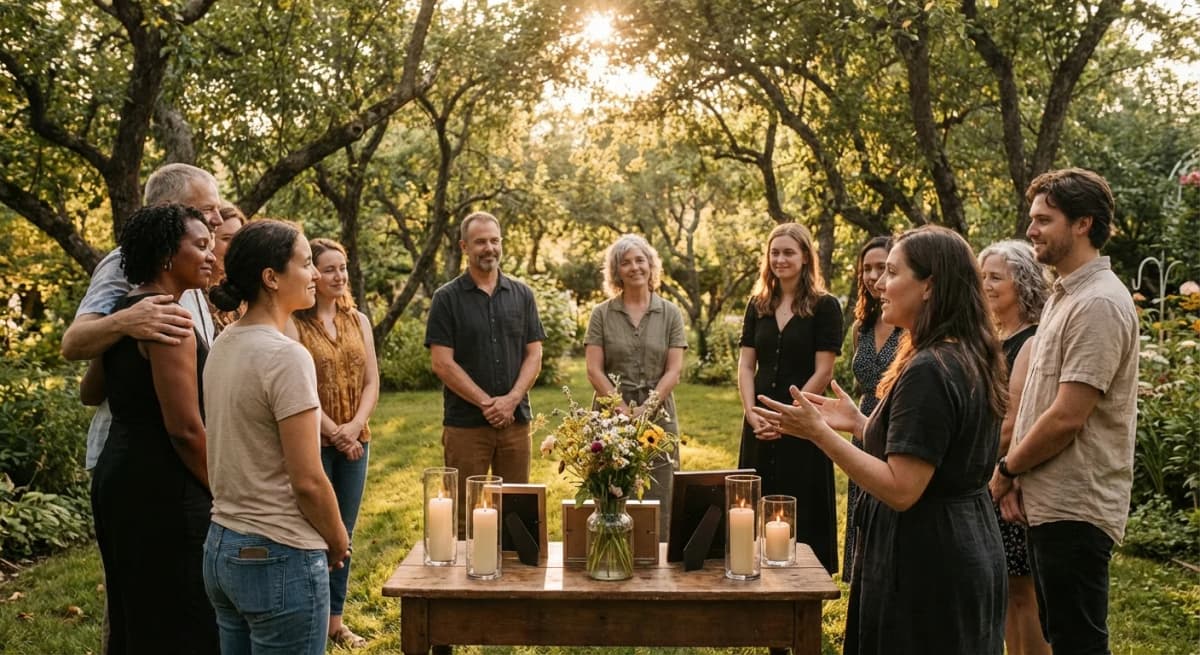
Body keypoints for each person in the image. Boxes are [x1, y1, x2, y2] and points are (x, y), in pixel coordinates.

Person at [755, 225, 1007, 654]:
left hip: (926, 562)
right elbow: (934, 452)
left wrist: (819, 435)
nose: (879, 285)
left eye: (891, 273)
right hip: (967, 542)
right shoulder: (964, 351)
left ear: (929, 285)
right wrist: (859, 423)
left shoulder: (930, 369)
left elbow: (901, 488)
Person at [990, 168, 1139, 655]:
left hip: (1077, 504)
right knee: (1059, 637)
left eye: (1043, 219)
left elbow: (1067, 416)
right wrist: (1021, 481)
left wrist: (1008, 469)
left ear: (1082, 223)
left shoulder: (1098, 302)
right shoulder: (1064, 295)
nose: (1031, 229)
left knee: (1079, 642)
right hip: (1048, 499)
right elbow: (1037, 402)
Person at [202, 220, 349, 655]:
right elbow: (307, 478)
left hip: (222, 547)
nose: (316, 275)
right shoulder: (286, 356)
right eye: (306, 264)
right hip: (277, 554)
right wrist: (337, 538)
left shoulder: (224, 343)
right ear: (271, 278)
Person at [89, 204, 218, 654]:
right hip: (163, 487)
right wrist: (222, 492)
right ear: (166, 254)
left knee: (136, 611)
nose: (212, 256)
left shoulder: (125, 311)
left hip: (117, 475)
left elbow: (92, 388)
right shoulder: (171, 320)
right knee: (182, 617)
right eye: (200, 245)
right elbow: (184, 428)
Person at [63, 163, 224, 470]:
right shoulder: (121, 265)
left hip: (175, 456)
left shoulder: (187, 272)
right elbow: (72, 344)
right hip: (140, 455)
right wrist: (124, 321)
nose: (217, 218)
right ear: (168, 209)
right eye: (206, 209)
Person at [425, 211, 546, 531]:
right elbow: (442, 363)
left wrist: (511, 399)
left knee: (518, 510)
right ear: (464, 246)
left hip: (515, 423)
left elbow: (534, 354)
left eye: (494, 240)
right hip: (466, 425)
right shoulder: (446, 298)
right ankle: (466, 579)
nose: (488, 248)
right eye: (480, 242)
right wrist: (486, 403)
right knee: (465, 515)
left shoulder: (522, 294)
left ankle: (514, 578)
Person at [286, 238, 380, 649]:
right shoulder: (294, 325)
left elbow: (373, 381)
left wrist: (355, 425)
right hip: (314, 441)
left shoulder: (358, 320)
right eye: (328, 269)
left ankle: (335, 622)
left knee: (344, 532)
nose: (338, 276)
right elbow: (296, 389)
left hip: (356, 442)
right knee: (314, 532)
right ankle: (308, 615)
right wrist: (333, 432)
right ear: (312, 274)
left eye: (342, 268)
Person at [737, 222, 843, 574]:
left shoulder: (825, 307)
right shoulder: (758, 305)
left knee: (802, 501)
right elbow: (746, 365)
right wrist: (753, 414)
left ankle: (805, 580)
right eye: (775, 252)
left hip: (803, 421)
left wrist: (789, 418)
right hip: (758, 421)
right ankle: (752, 572)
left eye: (788, 252)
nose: (780, 259)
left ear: (805, 257)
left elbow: (824, 372)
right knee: (752, 503)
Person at [584, 234, 687, 538]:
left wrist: (646, 409)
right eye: (625, 262)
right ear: (616, 271)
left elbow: (674, 371)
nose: (634, 267)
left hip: (659, 415)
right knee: (610, 490)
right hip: (609, 416)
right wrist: (621, 409)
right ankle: (610, 556)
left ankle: (658, 563)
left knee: (661, 491)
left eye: (640, 260)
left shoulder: (670, 313)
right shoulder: (601, 314)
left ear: (651, 265)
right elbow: (593, 369)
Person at [979, 239, 1051, 655]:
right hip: (989, 475)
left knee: (1025, 593)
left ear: (1021, 282)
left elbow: (1013, 420)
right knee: (1003, 589)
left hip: (1004, 477)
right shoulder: (995, 337)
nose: (986, 285)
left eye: (995, 277)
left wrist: (1001, 478)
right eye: (983, 277)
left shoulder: (1031, 340)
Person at [842, 235, 901, 583]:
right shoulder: (861, 326)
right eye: (867, 268)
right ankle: (862, 580)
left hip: (896, 423)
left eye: (883, 267)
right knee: (861, 507)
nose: (873, 276)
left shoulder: (911, 325)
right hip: (862, 425)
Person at [210, 203, 246, 332]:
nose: (234, 247)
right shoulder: (192, 293)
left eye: (238, 240)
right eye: (226, 239)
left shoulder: (245, 292)